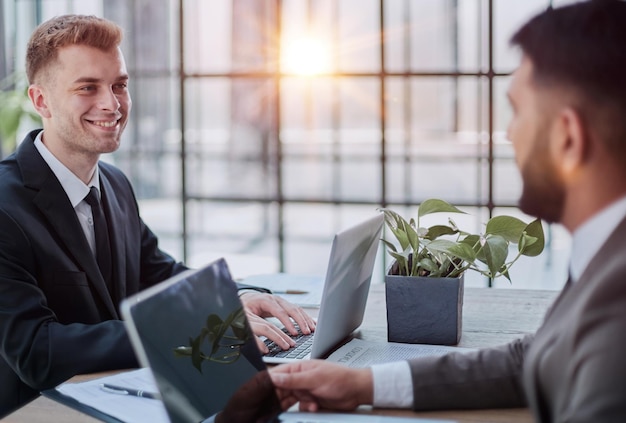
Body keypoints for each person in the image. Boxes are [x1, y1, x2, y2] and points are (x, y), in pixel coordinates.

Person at [270, 1, 626, 422]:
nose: (510, 134)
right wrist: (362, 385)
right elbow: (535, 358)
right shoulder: (606, 254)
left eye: (517, 112)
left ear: (568, 137)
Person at [0, 14, 314, 416]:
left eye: (119, 85)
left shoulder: (113, 184)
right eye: (87, 88)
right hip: (42, 411)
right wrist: (184, 329)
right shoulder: (6, 209)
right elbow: (35, 350)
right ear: (40, 100)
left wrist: (236, 301)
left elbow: (159, 275)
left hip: (119, 396)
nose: (111, 104)